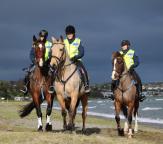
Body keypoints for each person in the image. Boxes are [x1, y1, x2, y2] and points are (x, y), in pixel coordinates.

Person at [21, 29, 53, 95]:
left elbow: (51, 54)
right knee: (28, 72)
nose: (42, 38)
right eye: (41, 36)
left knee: (53, 72)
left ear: (46, 37)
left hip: (46, 63)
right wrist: (34, 61)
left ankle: (52, 87)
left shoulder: (49, 44)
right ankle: (25, 87)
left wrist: (48, 60)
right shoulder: (35, 43)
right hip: (36, 62)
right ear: (39, 36)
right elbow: (31, 54)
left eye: (44, 36)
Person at [64, 25, 90, 93]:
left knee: (82, 69)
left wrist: (76, 57)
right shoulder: (64, 42)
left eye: (71, 34)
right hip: (65, 61)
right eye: (68, 34)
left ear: (73, 34)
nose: (69, 35)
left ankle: (86, 85)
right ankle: (53, 86)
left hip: (76, 60)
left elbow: (82, 52)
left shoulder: (78, 41)